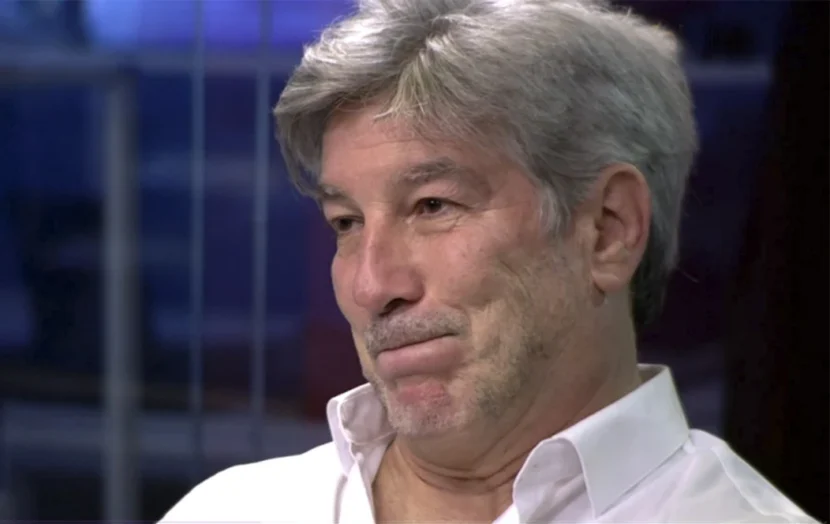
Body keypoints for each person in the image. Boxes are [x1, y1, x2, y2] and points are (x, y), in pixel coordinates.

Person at [162, 1, 816, 522]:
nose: (371, 285)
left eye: (433, 206)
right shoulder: (232, 510)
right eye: (346, 222)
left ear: (607, 231)